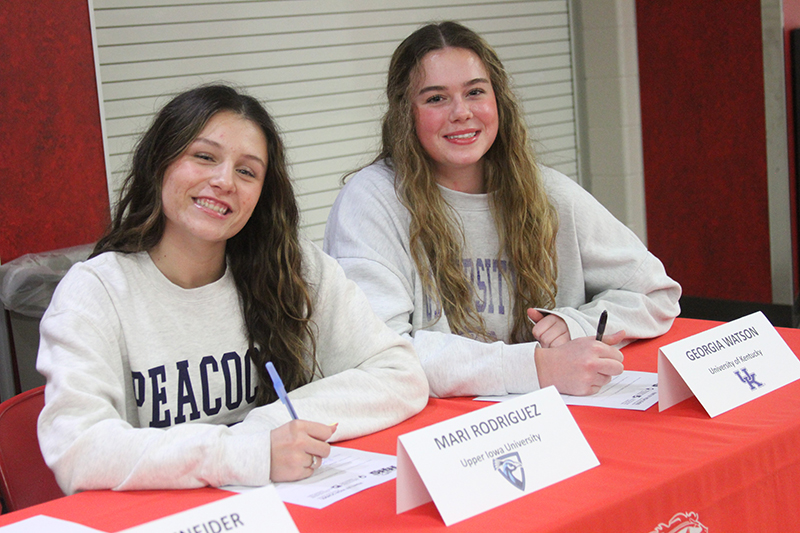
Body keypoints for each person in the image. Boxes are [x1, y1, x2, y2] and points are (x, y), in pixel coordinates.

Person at [36, 84, 428, 495]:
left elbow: (400, 373)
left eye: (247, 171)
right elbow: (78, 449)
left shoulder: (293, 267)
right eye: (204, 157)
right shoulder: (94, 291)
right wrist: (246, 452)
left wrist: (270, 425)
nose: (224, 181)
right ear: (159, 163)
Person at [323, 21, 681, 399]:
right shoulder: (372, 200)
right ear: (404, 114)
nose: (461, 112)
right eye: (435, 98)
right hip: (436, 434)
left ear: (499, 100)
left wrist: (575, 323)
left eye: (475, 91)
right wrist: (538, 368)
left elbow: (656, 293)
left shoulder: (548, 193)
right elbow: (379, 352)